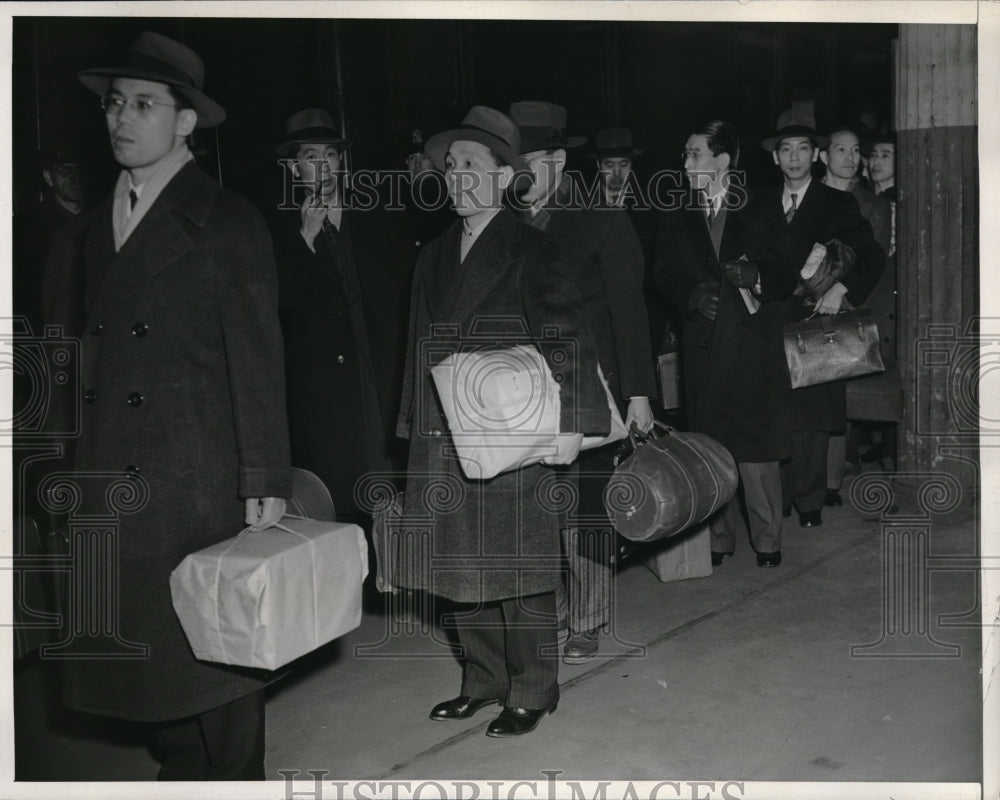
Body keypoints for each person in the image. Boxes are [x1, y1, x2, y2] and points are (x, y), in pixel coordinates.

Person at [70, 31, 291, 780]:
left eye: (142, 104)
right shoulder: (90, 227)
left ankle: (233, 782)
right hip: (114, 470)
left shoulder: (227, 221)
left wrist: (263, 475)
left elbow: (256, 358)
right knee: (144, 659)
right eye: (113, 103)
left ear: (187, 121)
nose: (119, 118)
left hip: (195, 475)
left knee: (214, 652)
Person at [396, 105, 608, 737]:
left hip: (512, 432)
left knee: (520, 566)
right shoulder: (432, 254)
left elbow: (569, 336)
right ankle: (482, 681)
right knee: (461, 567)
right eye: (450, 165)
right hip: (446, 432)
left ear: (503, 176)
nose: (456, 174)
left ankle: (535, 688)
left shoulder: (532, 248)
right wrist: (411, 420)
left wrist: (575, 424)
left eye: (470, 165)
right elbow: (416, 344)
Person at [509, 100, 656, 663]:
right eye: (513, 162)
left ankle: (588, 619)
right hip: (525, 389)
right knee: (540, 503)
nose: (521, 173)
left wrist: (638, 392)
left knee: (586, 505)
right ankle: (551, 608)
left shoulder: (602, 220)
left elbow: (629, 313)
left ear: (560, 161)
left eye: (532, 161)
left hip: (592, 386)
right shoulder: (503, 227)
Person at [655, 120, 797, 568]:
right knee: (709, 446)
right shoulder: (676, 209)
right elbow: (661, 272)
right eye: (684, 154)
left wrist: (757, 276)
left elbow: (787, 271)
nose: (685, 163)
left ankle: (768, 541)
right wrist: (691, 296)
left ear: (722, 160)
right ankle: (719, 540)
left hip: (751, 346)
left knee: (755, 450)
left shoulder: (760, 206)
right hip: (702, 347)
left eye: (693, 154)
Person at [270, 108, 409, 521]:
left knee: (388, 487)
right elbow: (277, 308)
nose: (324, 167)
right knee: (341, 497)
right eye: (311, 157)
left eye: (330, 156)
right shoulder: (275, 229)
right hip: (325, 393)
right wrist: (304, 241)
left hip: (379, 373)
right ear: (294, 168)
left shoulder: (377, 215)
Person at [753, 122, 884, 528]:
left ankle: (810, 501)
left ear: (815, 156)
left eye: (802, 149)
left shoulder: (835, 203)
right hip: (770, 318)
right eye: (785, 150)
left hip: (818, 317)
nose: (793, 157)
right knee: (776, 411)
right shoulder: (758, 204)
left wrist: (841, 289)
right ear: (775, 158)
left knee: (813, 415)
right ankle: (785, 496)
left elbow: (872, 254)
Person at [819, 125, 894, 503]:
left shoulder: (873, 205)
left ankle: (831, 481)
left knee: (838, 396)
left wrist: (844, 297)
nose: (850, 158)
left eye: (855, 151)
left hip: (850, 308)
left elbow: (875, 264)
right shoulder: (806, 198)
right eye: (841, 150)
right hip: (804, 307)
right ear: (824, 156)